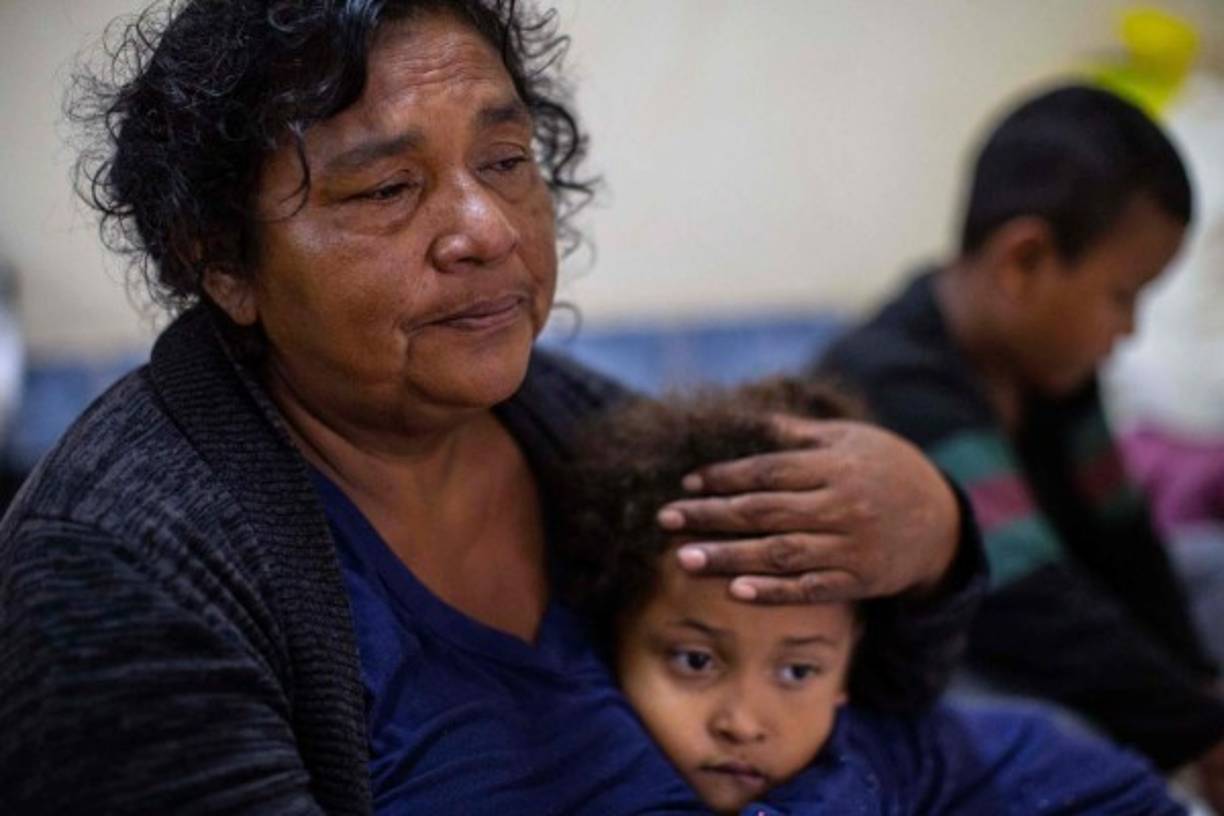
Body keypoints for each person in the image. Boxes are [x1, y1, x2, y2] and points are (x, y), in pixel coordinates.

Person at [0, 1, 983, 813]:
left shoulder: (578, 427)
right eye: (388, 187)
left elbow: (861, 695)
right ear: (218, 257)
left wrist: (933, 539)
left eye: (506, 163)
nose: (485, 229)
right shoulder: (117, 562)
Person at [816, 84, 1224, 805]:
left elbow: (1124, 540)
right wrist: (1196, 730)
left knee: (1208, 565)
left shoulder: (1054, 370)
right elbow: (1028, 600)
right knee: (1043, 731)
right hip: (943, 654)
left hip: (1047, 611)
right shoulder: (893, 383)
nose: (1127, 332)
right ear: (1024, 262)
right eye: (1123, 296)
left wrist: (1194, 684)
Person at [560, 377, 1184, 815]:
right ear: (612, 639)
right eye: (695, 660)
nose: (743, 723)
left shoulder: (843, 783)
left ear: (847, 672)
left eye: (797, 670)